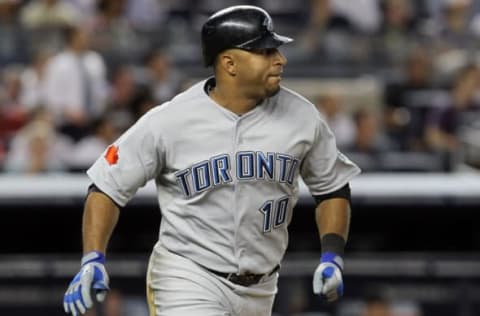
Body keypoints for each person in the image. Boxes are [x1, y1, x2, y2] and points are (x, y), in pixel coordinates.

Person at [63, 5, 360, 316]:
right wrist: (92, 258)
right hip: (188, 275)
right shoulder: (172, 120)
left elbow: (332, 188)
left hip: (263, 286)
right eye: (265, 51)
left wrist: (332, 256)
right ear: (229, 63)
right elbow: (106, 186)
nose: (280, 59)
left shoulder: (303, 116)